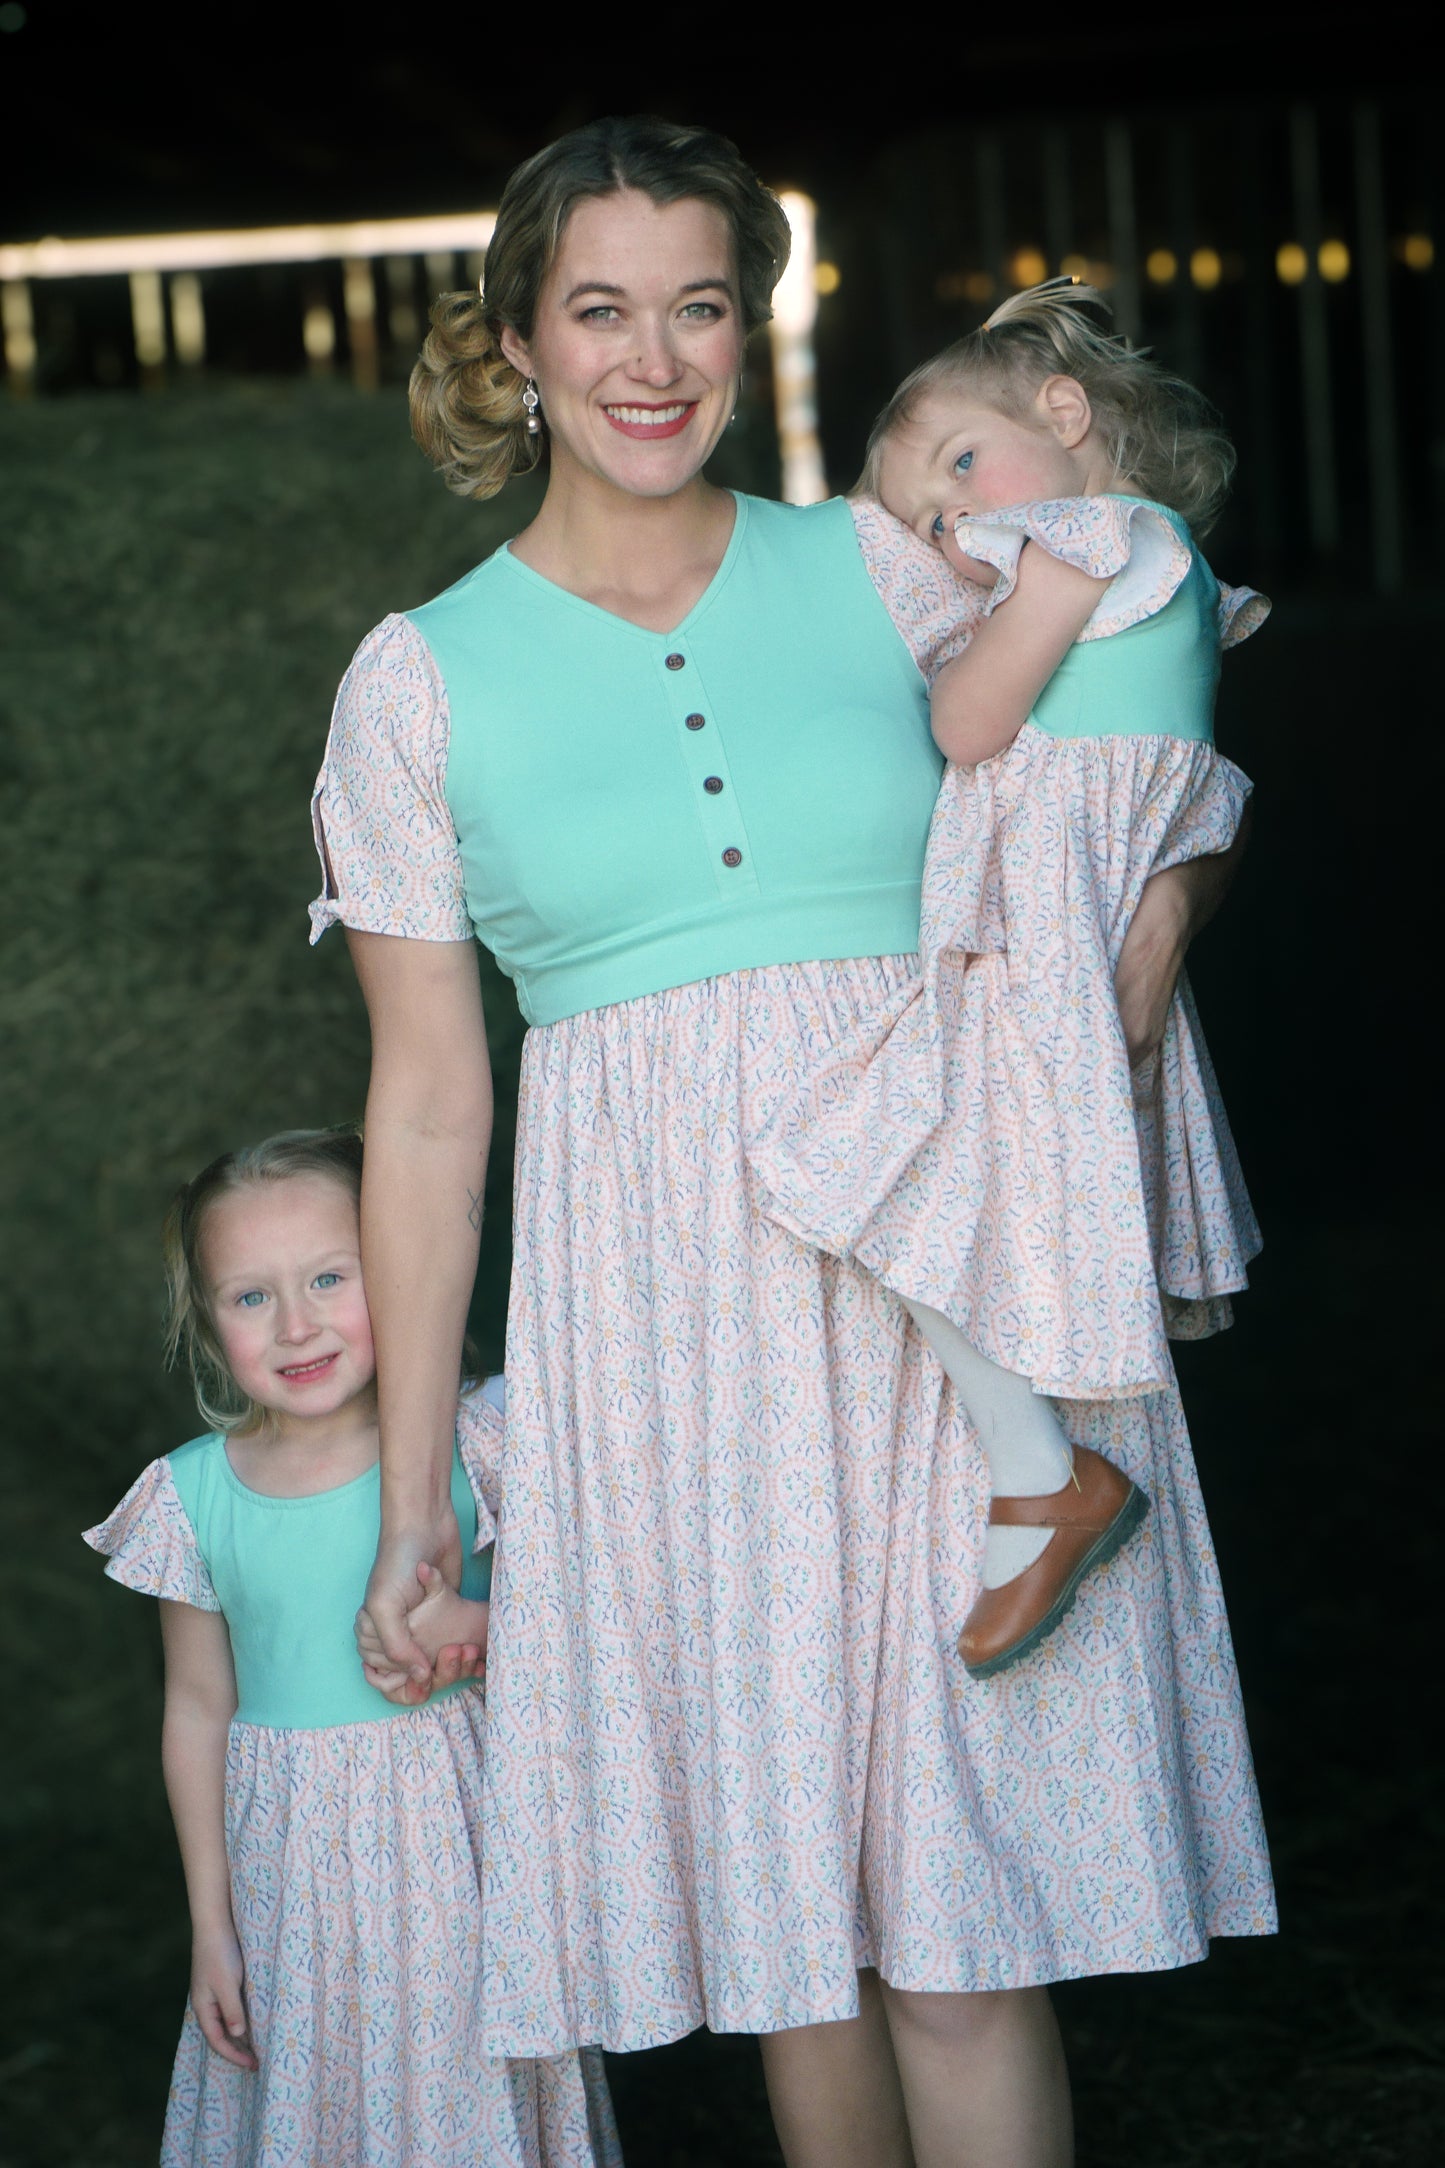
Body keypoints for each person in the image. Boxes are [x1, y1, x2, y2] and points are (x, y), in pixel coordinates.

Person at [310, 115, 1274, 2168]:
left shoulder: (889, 555)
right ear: (513, 337)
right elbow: (424, 1102)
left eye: (698, 309)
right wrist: (416, 1497)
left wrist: (1173, 905)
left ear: (747, 333)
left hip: (939, 1304)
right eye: (597, 310)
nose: (650, 360)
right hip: (659, 1327)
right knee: (790, 1948)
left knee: (951, 1932)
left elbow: (1134, 742)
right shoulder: (415, 686)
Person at [752, 277, 1265, 1680]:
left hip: (1039, 947)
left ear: (1064, 413)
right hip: (1057, 939)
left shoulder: (1088, 534)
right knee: (886, 1174)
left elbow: (973, 722)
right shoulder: (1160, 567)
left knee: (848, 1161)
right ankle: (1037, 1466)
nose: (958, 526)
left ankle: (1042, 1472)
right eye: (930, 519)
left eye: (963, 470)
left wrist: (951, 646)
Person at [83, 1128, 620, 2168]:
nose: (297, 1324)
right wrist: (212, 1923)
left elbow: (591, 1634)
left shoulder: (475, 1444)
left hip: (458, 1846)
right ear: (205, 1323)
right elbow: (196, 1708)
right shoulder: (192, 1497)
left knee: (461, 2087)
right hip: (290, 1875)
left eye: (332, 1276)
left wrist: (481, 1629)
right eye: (251, 1297)